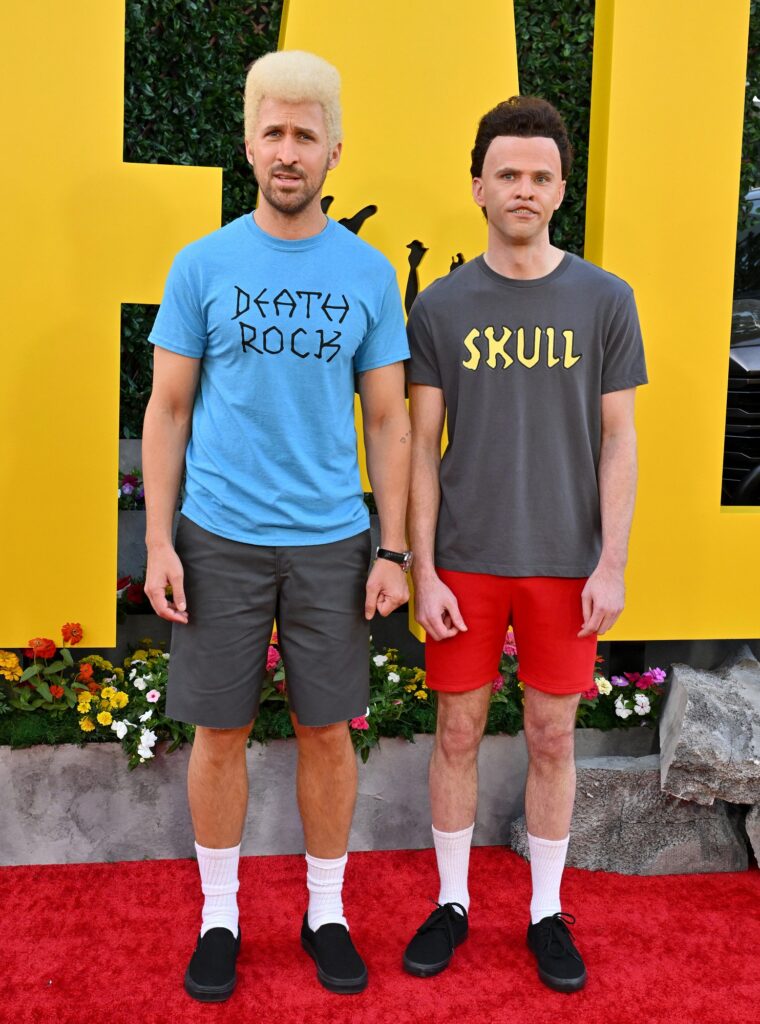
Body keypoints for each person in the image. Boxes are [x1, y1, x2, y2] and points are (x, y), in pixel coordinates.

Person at [142, 49, 412, 1002]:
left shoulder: (369, 274)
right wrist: (159, 540)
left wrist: (392, 547)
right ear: (249, 143)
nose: (288, 150)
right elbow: (168, 408)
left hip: (332, 541)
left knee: (327, 731)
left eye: (305, 134)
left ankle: (324, 912)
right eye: (273, 132)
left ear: (335, 150)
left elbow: (389, 419)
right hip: (218, 536)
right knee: (219, 734)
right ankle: (219, 917)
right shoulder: (203, 264)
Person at [403, 95, 647, 993]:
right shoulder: (440, 306)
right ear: (478, 187)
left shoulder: (605, 299)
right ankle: (452, 901)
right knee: (457, 730)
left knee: (551, 736)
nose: (524, 189)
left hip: (566, 562)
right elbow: (419, 447)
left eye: (541, 175)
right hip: (465, 559)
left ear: (561, 189)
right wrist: (423, 569)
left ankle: (546, 910)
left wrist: (611, 562)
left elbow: (619, 439)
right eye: (507, 173)